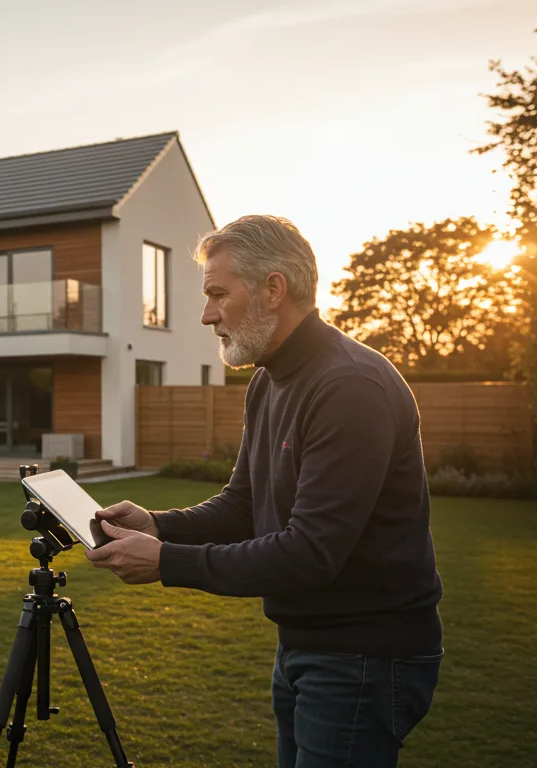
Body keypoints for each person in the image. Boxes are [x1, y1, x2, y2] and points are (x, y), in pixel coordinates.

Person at [86, 214, 444, 767]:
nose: (207, 315)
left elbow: (312, 552)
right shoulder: (267, 380)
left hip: (365, 655)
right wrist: (157, 524)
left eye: (217, 294)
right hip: (306, 644)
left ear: (273, 289)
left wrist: (166, 561)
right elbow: (244, 505)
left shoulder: (350, 386)